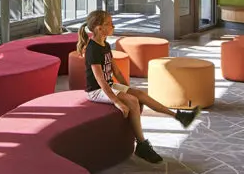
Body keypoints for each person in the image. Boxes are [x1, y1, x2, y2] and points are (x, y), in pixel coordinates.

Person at [77, 9, 199, 164]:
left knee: (140, 95)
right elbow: (100, 80)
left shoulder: (105, 45)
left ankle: (179, 116)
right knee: (133, 101)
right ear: (99, 28)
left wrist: (128, 89)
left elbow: (116, 71)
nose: (113, 26)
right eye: (110, 24)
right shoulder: (93, 49)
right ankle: (142, 145)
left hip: (109, 85)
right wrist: (118, 101)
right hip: (96, 91)